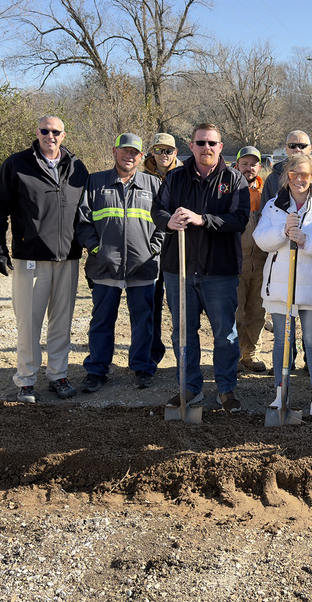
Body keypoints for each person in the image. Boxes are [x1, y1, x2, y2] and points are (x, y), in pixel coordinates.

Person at [0, 115, 88, 403]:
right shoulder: (17, 164)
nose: (50, 136)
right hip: (29, 257)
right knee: (29, 323)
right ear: (37, 132)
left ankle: (58, 375)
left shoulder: (77, 167)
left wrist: (90, 249)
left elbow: (85, 213)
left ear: (63, 135)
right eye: (45, 130)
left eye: (56, 132)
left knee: (61, 322)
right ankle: (27, 380)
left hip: (68, 257)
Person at [152, 123, 250, 411]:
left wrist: (203, 219)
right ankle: (190, 388)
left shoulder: (233, 180)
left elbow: (239, 219)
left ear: (220, 147)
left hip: (220, 271)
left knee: (224, 334)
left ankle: (226, 390)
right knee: (183, 332)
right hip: (179, 268)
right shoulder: (175, 178)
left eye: (212, 143)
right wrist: (167, 221)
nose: (206, 147)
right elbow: (157, 210)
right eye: (200, 142)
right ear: (191, 146)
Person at [76, 133, 164, 391]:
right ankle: (97, 370)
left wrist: (153, 249)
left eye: (134, 152)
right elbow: (83, 222)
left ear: (141, 156)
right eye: (124, 150)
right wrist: (96, 250)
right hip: (105, 267)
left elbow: (163, 223)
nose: (129, 156)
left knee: (144, 320)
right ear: (114, 151)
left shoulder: (153, 184)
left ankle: (142, 367)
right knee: (102, 320)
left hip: (143, 266)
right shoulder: (95, 182)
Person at [254, 154, 312, 417]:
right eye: (293, 175)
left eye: (304, 174)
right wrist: (283, 230)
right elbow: (260, 239)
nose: (299, 180)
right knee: (281, 340)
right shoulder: (273, 206)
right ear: (286, 178)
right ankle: (281, 394)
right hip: (280, 286)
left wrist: (305, 240)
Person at [142, 132, 178, 366]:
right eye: (159, 150)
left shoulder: (184, 176)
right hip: (149, 249)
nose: (163, 155)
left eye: (168, 150)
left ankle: (183, 355)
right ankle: (152, 352)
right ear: (151, 152)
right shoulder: (142, 178)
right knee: (151, 303)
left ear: (175, 153)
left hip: (177, 248)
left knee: (178, 305)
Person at [234, 146, 268, 373]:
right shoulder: (228, 187)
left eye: (253, 164)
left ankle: (250, 355)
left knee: (257, 312)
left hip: (263, 261)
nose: (249, 168)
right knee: (235, 311)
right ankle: (234, 356)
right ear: (237, 165)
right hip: (236, 261)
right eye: (244, 163)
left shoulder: (265, 189)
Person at [261, 131, 312, 209]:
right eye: (292, 146)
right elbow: (264, 211)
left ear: (310, 148)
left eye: (302, 146)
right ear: (286, 149)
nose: (297, 149)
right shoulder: (273, 179)